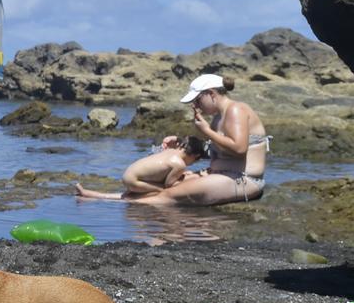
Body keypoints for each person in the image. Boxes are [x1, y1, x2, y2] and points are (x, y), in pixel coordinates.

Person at [78, 74, 270, 206]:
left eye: (197, 100)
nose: (196, 105)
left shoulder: (236, 110)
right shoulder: (218, 117)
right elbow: (217, 150)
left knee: (169, 194)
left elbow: (239, 149)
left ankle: (103, 200)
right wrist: (182, 144)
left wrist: (205, 131)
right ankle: (102, 196)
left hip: (244, 181)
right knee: (169, 183)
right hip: (222, 175)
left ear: (211, 94)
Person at [75, 136, 206, 200]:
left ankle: (87, 193)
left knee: (133, 193)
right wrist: (190, 177)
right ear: (194, 155)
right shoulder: (179, 164)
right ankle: (129, 198)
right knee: (162, 192)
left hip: (129, 174)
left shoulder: (170, 151)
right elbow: (169, 185)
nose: (191, 164)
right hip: (134, 181)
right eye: (194, 161)